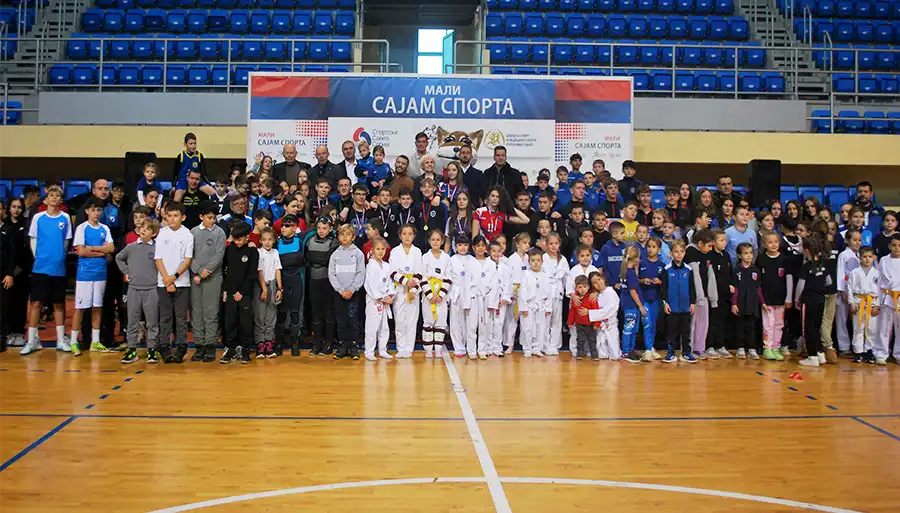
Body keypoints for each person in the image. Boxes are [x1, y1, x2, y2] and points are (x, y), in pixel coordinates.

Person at [21, 186, 72, 356]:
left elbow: (66, 241)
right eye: (51, 195)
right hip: (41, 267)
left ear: (61, 200)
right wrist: (38, 257)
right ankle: (32, 340)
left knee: (58, 303)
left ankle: (60, 340)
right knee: (36, 303)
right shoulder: (38, 217)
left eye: (57, 196)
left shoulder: (65, 218)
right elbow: (33, 238)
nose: (54, 198)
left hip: (58, 267)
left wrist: (59, 256)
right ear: (46, 199)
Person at [70, 197, 115, 354]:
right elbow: (81, 251)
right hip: (85, 274)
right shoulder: (82, 228)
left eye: (98, 210)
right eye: (93, 210)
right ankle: (73, 341)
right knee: (80, 308)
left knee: (97, 306)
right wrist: (101, 252)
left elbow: (111, 248)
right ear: (87, 211)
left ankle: (95, 341)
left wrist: (92, 248)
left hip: (100, 273)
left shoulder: (105, 228)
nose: (96, 213)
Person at [115, 218, 161, 363]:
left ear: (153, 233)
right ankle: (131, 349)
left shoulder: (157, 248)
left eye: (146, 229)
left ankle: (152, 349)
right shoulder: (131, 247)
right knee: (132, 321)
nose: (142, 231)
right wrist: (127, 272)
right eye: (141, 228)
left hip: (152, 288)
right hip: (134, 289)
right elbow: (119, 258)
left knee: (152, 321)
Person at [154, 201, 193, 364]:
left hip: (182, 283)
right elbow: (158, 259)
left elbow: (187, 260)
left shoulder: (188, 234)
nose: (172, 219)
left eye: (175, 216)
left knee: (181, 318)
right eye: (169, 215)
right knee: (165, 317)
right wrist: (167, 280)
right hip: (164, 283)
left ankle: (181, 347)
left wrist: (174, 277)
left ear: (182, 217)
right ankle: (164, 346)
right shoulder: (162, 234)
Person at [187, 201, 225, 362]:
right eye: (209, 218)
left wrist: (205, 272)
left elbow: (219, 255)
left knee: (211, 312)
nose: (212, 220)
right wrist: (197, 271)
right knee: (197, 312)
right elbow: (189, 255)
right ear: (201, 217)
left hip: (213, 278)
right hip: (195, 278)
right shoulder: (193, 232)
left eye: (214, 218)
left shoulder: (220, 233)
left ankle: (210, 345)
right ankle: (199, 345)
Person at [221, 222, 258, 364]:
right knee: (230, 321)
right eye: (235, 239)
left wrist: (241, 292)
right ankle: (230, 348)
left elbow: (252, 274)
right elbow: (226, 271)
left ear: (247, 237)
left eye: (239, 239)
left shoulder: (252, 251)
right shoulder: (229, 250)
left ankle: (245, 348)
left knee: (245, 322)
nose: (237, 242)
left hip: (245, 294)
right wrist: (226, 289)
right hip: (231, 291)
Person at [304, 216, 340, 355]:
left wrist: (317, 260)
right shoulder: (310, 241)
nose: (321, 231)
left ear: (330, 229)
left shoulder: (334, 242)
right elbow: (308, 258)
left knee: (329, 313)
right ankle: (317, 342)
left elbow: (327, 260)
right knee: (316, 313)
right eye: (319, 228)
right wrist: (319, 260)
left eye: (324, 228)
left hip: (328, 282)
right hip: (313, 281)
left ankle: (328, 343)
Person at [795, 235, 831, 367]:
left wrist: (796, 299)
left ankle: (812, 356)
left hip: (809, 300)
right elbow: (829, 282)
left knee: (808, 328)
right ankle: (820, 354)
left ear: (806, 250)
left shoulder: (806, 267)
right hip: (821, 299)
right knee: (817, 327)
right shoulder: (823, 265)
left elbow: (800, 285)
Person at [756, 230, 791, 361]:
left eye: (776, 242)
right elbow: (758, 281)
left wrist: (788, 297)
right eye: (770, 242)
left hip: (780, 298)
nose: (773, 245)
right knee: (768, 324)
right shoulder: (761, 259)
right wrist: (761, 299)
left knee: (779, 324)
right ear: (764, 244)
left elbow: (788, 279)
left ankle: (776, 347)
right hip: (767, 299)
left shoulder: (784, 259)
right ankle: (768, 347)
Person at [390, 224, 423, 359]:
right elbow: (392, 272)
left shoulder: (417, 251)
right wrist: (405, 281)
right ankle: (401, 347)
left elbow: (420, 272)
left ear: (414, 236)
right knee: (399, 319)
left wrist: (413, 287)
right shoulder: (395, 251)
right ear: (400, 236)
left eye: (410, 234)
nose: (407, 236)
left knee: (412, 319)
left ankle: (409, 347)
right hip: (399, 287)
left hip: (413, 289)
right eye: (404, 234)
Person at [661, 240, 696, 363]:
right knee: (671, 332)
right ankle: (670, 353)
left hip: (686, 307)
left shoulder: (689, 269)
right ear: (671, 253)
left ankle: (686, 353)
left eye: (681, 251)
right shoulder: (667, 269)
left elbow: (692, 287)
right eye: (676, 251)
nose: (679, 254)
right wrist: (665, 302)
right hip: (672, 307)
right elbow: (664, 288)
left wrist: (693, 302)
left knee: (686, 331)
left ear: (685, 252)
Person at [685, 229, 716, 361]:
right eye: (709, 246)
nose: (710, 249)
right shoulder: (691, 252)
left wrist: (712, 297)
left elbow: (710, 275)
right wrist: (699, 296)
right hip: (694, 295)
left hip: (704, 294)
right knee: (693, 323)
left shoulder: (707, 254)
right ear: (700, 244)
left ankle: (699, 348)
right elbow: (695, 276)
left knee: (703, 322)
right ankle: (690, 348)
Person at [421, 230, 452, 358]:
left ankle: (438, 349)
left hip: (441, 294)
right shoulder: (425, 257)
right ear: (429, 241)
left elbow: (449, 277)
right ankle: (428, 350)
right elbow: (422, 277)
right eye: (433, 239)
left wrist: (440, 295)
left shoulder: (446, 258)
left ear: (442, 241)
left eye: (438, 240)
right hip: (428, 294)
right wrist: (430, 295)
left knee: (441, 322)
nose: (435, 242)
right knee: (428, 321)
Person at [363, 237, 394, 360]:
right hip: (374, 301)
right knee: (372, 327)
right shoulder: (370, 266)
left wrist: (390, 295)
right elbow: (370, 284)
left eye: (383, 249)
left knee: (384, 327)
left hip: (385, 301)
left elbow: (390, 283)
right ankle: (369, 351)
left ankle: (382, 349)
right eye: (378, 249)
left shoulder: (387, 266)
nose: (380, 251)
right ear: (372, 250)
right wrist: (380, 297)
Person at [517, 248, 551, 358]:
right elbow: (522, 292)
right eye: (533, 260)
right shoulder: (526, 275)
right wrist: (524, 308)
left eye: (538, 260)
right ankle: (527, 348)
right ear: (529, 262)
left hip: (541, 306)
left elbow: (549, 293)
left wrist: (548, 307)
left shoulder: (545, 275)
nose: (535, 263)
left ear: (542, 261)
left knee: (540, 328)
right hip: (529, 305)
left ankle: (537, 348)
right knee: (527, 328)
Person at [847, 246, 880, 363]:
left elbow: (880, 291)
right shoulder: (854, 272)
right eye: (864, 257)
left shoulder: (877, 273)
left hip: (872, 303)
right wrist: (851, 303)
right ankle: (858, 352)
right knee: (858, 328)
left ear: (874, 258)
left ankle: (869, 351)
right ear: (859, 258)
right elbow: (849, 288)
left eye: (870, 257)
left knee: (872, 329)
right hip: (858, 302)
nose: (867, 259)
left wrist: (877, 305)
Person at [253, 228, 282, 359]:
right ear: (260, 241)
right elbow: (259, 271)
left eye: (270, 239)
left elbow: (277, 270)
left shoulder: (275, 252)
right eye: (264, 239)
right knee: (260, 315)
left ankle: (269, 342)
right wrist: (264, 288)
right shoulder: (258, 252)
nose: (267, 242)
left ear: (274, 240)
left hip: (273, 284)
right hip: (261, 285)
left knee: (271, 314)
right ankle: (260, 343)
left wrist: (279, 288)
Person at [566, 244, 599, 358]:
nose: (585, 258)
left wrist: (596, 292)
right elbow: (569, 286)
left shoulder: (594, 270)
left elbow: (598, 285)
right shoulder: (574, 270)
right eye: (582, 256)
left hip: (590, 303)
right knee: (575, 328)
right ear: (577, 257)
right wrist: (573, 295)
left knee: (590, 328)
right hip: (577, 302)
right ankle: (575, 348)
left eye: (588, 255)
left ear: (592, 256)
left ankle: (589, 349)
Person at [706, 229, 732, 360]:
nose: (724, 243)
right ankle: (709, 346)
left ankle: (720, 345)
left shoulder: (726, 255)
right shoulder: (710, 256)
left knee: (722, 321)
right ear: (713, 242)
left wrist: (731, 284)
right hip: (713, 295)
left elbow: (730, 273)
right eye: (721, 240)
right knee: (713, 321)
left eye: (725, 240)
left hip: (725, 295)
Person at [542, 232, 569, 356]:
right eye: (551, 243)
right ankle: (544, 344)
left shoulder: (562, 259)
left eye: (556, 243)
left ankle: (555, 345)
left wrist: (569, 292)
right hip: (545, 293)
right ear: (546, 244)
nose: (553, 246)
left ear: (559, 244)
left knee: (557, 320)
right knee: (545, 319)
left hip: (558, 293)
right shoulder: (543, 258)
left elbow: (567, 277)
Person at [638, 238, 665, 361]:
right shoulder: (641, 263)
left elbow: (665, 283)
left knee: (653, 324)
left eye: (654, 247)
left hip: (656, 298)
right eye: (649, 246)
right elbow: (635, 280)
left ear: (659, 249)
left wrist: (659, 282)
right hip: (644, 298)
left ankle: (651, 347)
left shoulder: (662, 265)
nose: (650, 249)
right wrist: (643, 281)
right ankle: (648, 350)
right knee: (647, 323)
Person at [836, 229, 862, 356]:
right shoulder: (843, 255)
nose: (857, 243)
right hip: (845, 289)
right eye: (854, 240)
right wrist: (842, 291)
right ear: (847, 240)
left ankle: (857, 345)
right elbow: (840, 273)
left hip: (857, 290)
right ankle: (843, 346)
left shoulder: (860, 255)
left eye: (859, 240)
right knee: (842, 318)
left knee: (857, 319)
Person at [876, 235, 900, 365]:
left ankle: (898, 354)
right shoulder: (884, 260)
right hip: (887, 297)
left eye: (899, 246)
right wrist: (877, 300)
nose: (897, 248)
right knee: (884, 327)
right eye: (894, 245)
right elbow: (879, 281)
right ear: (889, 246)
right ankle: (881, 353)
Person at [486, 240, 512, 358]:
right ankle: (488, 347)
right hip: (488, 298)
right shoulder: (486, 265)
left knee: (499, 323)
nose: (496, 254)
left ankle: (497, 347)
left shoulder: (505, 267)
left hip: (501, 300)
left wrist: (504, 298)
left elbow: (508, 284)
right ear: (489, 251)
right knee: (488, 323)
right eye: (493, 251)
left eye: (498, 251)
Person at [173, 132, 215, 203]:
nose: (193, 146)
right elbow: (175, 172)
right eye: (191, 144)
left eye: (195, 143)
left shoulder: (199, 156)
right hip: (183, 181)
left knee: (214, 193)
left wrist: (208, 183)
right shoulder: (181, 156)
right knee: (176, 200)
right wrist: (174, 185)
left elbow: (204, 172)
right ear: (185, 144)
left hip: (197, 181)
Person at [567, 275, 599, 361]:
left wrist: (596, 324)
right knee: (580, 340)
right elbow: (572, 311)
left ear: (588, 287)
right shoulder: (575, 299)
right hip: (579, 324)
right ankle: (580, 354)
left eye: (584, 287)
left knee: (592, 340)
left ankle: (594, 355)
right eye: (580, 287)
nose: (582, 289)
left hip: (590, 324)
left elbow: (596, 311)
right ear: (576, 288)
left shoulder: (591, 298)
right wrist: (570, 322)